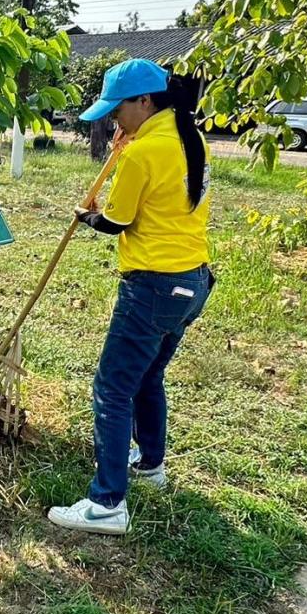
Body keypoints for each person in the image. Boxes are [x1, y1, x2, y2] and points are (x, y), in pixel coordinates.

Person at [48, 58, 213, 535]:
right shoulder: (188, 137)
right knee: (147, 376)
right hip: (193, 280)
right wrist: (122, 151)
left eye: (118, 110)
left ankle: (106, 504)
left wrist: (87, 214)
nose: (113, 120)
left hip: (154, 286)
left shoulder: (144, 153)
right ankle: (150, 466)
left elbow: (118, 221)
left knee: (112, 388)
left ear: (144, 101)